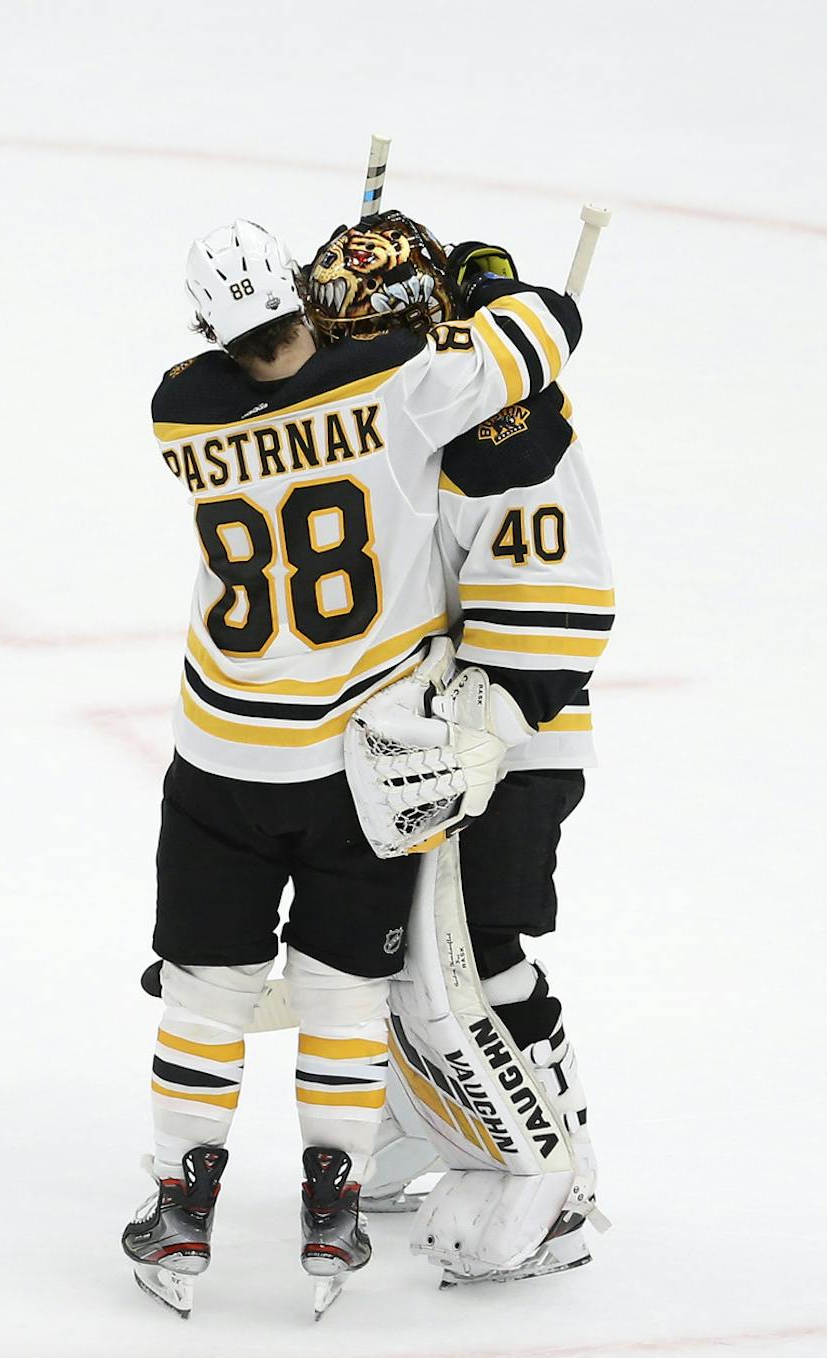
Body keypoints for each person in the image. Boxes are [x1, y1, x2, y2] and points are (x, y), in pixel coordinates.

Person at [120, 216, 584, 1317]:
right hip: (355, 762)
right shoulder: (400, 384)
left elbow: (275, 390)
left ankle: (184, 1199)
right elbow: (547, 328)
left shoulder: (178, 408)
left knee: (209, 990)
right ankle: (334, 1196)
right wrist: (484, 290)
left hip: (224, 754)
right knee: (348, 989)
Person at [303, 221, 614, 1281]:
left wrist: (481, 736)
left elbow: (560, 606)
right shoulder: (395, 408)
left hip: (508, 749)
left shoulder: (504, 437)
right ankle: (432, 1117)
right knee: (393, 948)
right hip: (404, 740)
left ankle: (559, 1172)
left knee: (476, 948)